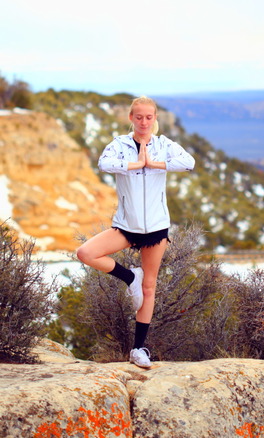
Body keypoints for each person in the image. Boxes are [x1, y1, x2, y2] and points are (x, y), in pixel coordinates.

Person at [77, 96, 195, 368]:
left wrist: (154, 164)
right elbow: (103, 164)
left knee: (150, 286)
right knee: (86, 252)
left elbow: (189, 163)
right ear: (131, 118)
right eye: (139, 117)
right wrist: (134, 165)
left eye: (149, 117)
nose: (144, 122)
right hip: (126, 226)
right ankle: (130, 277)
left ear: (155, 119)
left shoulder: (163, 145)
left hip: (155, 228)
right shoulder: (119, 145)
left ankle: (138, 349)